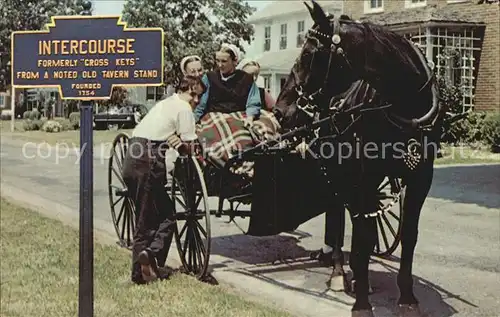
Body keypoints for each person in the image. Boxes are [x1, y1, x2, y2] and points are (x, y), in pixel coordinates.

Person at [121, 75, 206, 285]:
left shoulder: (164, 103)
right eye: (195, 96)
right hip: (149, 159)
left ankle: (150, 263)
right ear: (187, 91)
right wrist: (186, 148)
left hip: (132, 154)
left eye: (199, 97)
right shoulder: (184, 109)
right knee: (149, 219)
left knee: (163, 214)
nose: (196, 101)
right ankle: (142, 270)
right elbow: (190, 147)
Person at [193, 43, 261, 126]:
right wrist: (194, 120)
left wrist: (250, 117)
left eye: (224, 61)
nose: (220, 65)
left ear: (235, 61)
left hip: (239, 116)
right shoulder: (209, 77)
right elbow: (201, 104)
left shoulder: (246, 79)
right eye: (217, 61)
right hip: (214, 117)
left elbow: (253, 102)